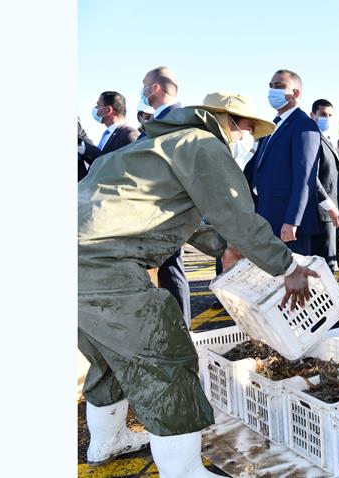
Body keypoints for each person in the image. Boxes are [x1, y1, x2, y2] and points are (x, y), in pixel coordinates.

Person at [79, 91, 318, 476]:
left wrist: (222, 246)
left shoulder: (149, 147)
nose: (245, 138)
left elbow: (177, 217)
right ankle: (185, 472)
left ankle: (107, 441)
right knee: (167, 367)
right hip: (108, 265)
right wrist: (286, 266)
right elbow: (235, 214)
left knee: (109, 359)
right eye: (245, 130)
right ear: (228, 122)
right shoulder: (201, 143)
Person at [243, 69, 323, 255]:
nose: (273, 91)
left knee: (293, 279)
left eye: (279, 86)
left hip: (288, 223)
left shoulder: (304, 125)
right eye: (271, 86)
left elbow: (305, 178)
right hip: (266, 213)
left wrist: (293, 220)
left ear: (296, 93)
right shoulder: (273, 125)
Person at [140, 66, 192, 327]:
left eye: (144, 84)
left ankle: (183, 327)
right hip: (156, 208)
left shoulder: (175, 119)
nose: (143, 90)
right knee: (166, 271)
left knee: (171, 270)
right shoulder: (163, 119)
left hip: (166, 209)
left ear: (156, 88)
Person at [309, 98, 339, 272]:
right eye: (322, 114)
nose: (326, 118)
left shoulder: (325, 139)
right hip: (322, 211)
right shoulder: (312, 139)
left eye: (329, 115)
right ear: (312, 115)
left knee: (330, 261)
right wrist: (329, 205)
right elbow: (311, 177)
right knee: (325, 264)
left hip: (331, 211)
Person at [79, 91, 140, 170]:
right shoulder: (107, 134)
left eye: (97, 105)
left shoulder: (130, 135)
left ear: (108, 109)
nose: (95, 109)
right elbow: (99, 161)